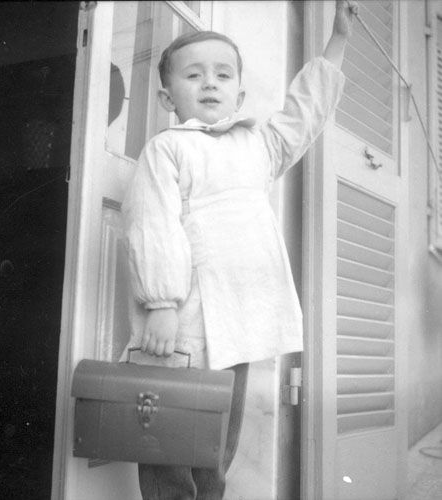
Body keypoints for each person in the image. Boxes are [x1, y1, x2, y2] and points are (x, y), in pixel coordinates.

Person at [121, 1, 358, 498]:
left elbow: (305, 113)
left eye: (223, 75)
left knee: (215, 451)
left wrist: (338, 38)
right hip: (184, 324)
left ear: (239, 93)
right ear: (167, 97)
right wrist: (161, 304)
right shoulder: (168, 148)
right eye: (194, 75)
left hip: (236, 324)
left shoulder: (257, 146)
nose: (210, 83)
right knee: (169, 448)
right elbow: (152, 225)